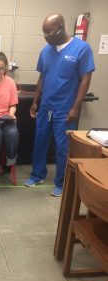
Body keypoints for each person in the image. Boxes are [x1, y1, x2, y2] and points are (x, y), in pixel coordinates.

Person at [24, 13, 95, 197]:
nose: (45, 37)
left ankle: (61, 182)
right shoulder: (45, 51)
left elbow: (85, 79)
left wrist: (75, 107)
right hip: (45, 106)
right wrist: (35, 101)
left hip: (64, 108)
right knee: (39, 142)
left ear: (60, 28)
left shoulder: (82, 49)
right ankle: (37, 174)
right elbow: (42, 77)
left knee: (62, 147)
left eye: (48, 32)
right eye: (43, 33)